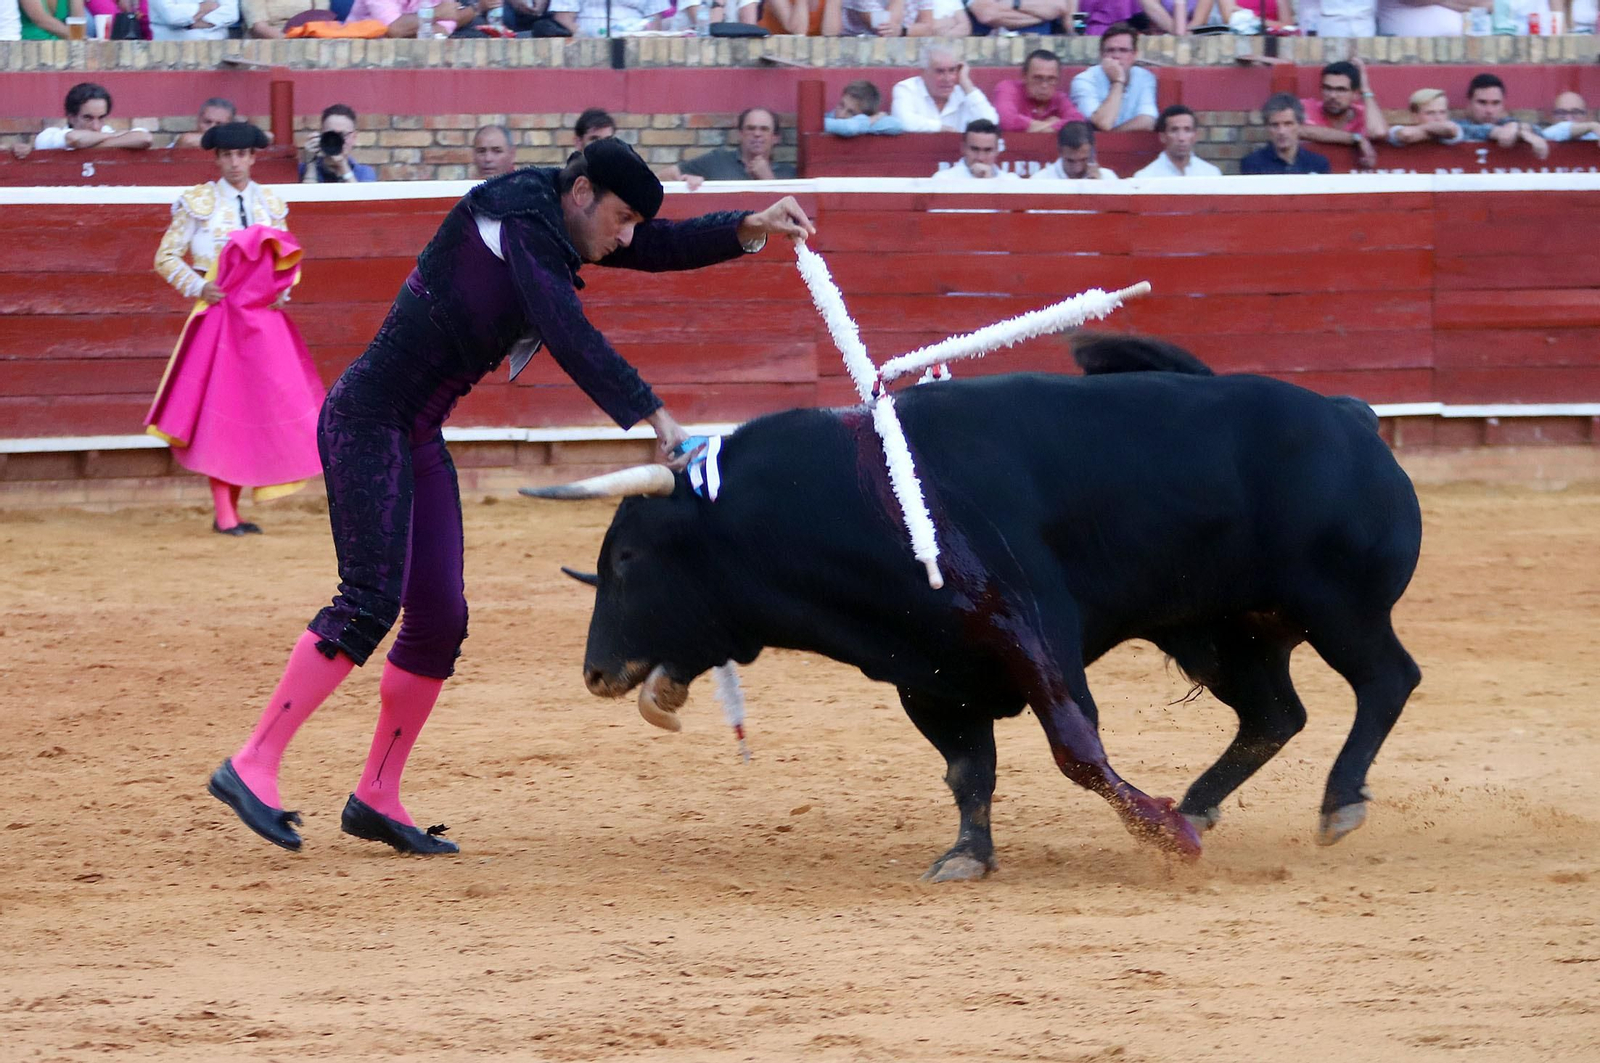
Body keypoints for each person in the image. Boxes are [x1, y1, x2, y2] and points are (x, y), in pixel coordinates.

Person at [205, 139, 816, 856]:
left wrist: (750, 225)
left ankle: (377, 793)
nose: (626, 238)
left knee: (441, 618)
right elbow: (567, 331)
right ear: (582, 193)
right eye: (621, 219)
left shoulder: (555, 221)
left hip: (416, 429)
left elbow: (657, 245)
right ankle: (253, 763)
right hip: (368, 420)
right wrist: (659, 420)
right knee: (369, 599)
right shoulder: (519, 222)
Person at [148, 122, 325, 538]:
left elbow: (289, 260)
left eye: (242, 154)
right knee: (223, 411)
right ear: (217, 159)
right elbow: (165, 257)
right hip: (221, 318)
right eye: (227, 155)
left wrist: (283, 291)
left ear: (253, 157)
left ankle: (233, 509)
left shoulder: (271, 204)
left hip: (263, 321)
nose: (235, 163)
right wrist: (198, 286)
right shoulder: (198, 202)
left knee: (257, 411)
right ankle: (225, 511)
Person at [659, 108, 796, 189]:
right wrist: (683, 183)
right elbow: (660, 178)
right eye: (750, 128)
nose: (757, 134)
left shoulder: (789, 174)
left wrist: (768, 179)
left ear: (775, 138)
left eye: (764, 129)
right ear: (740, 134)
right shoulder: (717, 161)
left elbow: (795, 216)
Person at [9, 82, 152, 159]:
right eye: (88, 118)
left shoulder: (105, 132)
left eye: (101, 118)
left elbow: (144, 138)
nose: (96, 126)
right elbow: (74, 139)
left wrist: (93, 143)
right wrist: (115, 137)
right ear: (71, 117)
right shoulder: (49, 136)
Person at [1297, 59, 1388, 171]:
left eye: (1341, 90)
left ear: (1355, 94)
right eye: (1327, 88)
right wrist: (1355, 138)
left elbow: (1379, 132)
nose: (1333, 96)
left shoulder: (1364, 114)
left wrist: (1365, 89)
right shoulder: (1306, 108)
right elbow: (1295, 129)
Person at [1069, 23, 1157, 134]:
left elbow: (1148, 120)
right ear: (1101, 54)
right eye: (1110, 50)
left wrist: (1113, 136)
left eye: (1123, 50)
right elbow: (1103, 123)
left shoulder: (1145, 77)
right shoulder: (1084, 80)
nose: (1116, 56)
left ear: (1134, 55)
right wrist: (1117, 82)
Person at [890, 44, 998, 133]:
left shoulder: (965, 92)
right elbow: (903, 121)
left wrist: (966, 84)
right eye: (940, 71)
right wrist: (942, 128)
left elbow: (991, 122)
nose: (947, 79)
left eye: (952, 70)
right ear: (923, 73)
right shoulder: (906, 88)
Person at [1458, 72, 1548, 161]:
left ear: (1503, 104)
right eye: (1482, 102)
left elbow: (1540, 133)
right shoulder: (1459, 127)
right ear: (1469, 103)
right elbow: (1462, 131)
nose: (1489, 110)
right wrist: (1496, 132)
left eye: (1496, 103)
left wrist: (1522, 130)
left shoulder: (1507, 123)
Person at [994, 50, 1083, 134]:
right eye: (1038, 78)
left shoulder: (1060, 98)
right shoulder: (1008, 88)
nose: (1044, 85)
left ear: (1058, 80)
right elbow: (1006, 120)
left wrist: (1032, 127)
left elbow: (1078, 122)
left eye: (1051, 79)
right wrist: (1053, 125)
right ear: (1024, 76)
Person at [1240, 95, 1331, 175]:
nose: (1281, 131)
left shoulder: (1318, 164)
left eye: (1288, 124)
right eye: (1275, 125)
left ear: (1300, 125)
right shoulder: (1253, 164)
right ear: (1267, 127)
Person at [1133, 105, 1220, 178]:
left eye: (1187, 130)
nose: (1181, 138)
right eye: (1174, 130)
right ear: (1162, 137)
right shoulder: (1145, 177)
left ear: (1195, 135)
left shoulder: (1211, 174)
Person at [300, 104, 378, 184]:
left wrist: (343, 166)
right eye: (331, 134)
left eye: (342, 134)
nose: (337, 139)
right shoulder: (302, 170)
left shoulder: (364, 173)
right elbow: (308, 192)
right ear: (321, 135)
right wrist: (311, 163)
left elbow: (357, 192)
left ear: (354, 137)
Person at [932, 118, 1018, 180]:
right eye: (974, 149)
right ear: (963, 148)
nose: (980, 157)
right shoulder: (943, 180)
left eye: (987, 150)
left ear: (997, 150)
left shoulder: (1011, 181)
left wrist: (989, 181)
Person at [1030, 120, 1119, 180]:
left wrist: (1099, 188)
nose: (1077, 169)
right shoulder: (1040, 180)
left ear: (1092, 152)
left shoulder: (1108, 179)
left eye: (1083, 160)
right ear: (1060, 151)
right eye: (1070, 161)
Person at [1385, 88, 1463, 148]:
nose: (1438, 118)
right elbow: (1406, 135)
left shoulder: (1456, 128)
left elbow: (1450, 129)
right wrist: (1431, 129)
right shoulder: (1399, 129)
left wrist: (1424, 130)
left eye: (1442, 112)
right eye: (1430, 113)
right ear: (1415, 116)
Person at [345, 0, 474, 36]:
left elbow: (444, 27)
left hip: (411, 55)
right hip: (361, 56)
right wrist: (435, 13)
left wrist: (407, 28)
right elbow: (394, 28)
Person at [824, 80, 904, 137]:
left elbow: (896, 124)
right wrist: (866, 123)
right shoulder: (829, 116)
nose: (841, 115)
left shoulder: (870, 120)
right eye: (841, 105)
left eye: (851, 112)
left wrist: (861, 123)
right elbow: (849, 128)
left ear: (867, 115)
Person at [959, 0, 1069, 35]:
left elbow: (1060, 7)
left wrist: (1014, 3)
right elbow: (987, 15)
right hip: (996, 55)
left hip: (1041, 55)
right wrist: (1043, 16)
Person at [147, 0, 239, 38]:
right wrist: (205, 7)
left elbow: (231, 13)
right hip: (170, 54)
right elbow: (173, 16)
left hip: (217, 53)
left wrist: (189, 24)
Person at [171, 97, 236, 150]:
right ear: (198, 121)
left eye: (219, 124)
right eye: (207, 122)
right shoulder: (186, 141)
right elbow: (187, 141)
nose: (212, 127)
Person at [19, 0, 84, 37]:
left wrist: (78, 37)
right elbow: (40, 19)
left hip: (60, 46)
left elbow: (78, 23)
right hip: (27, 45)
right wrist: (76, 36)